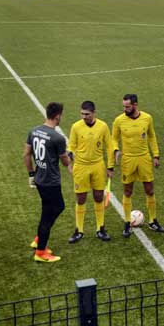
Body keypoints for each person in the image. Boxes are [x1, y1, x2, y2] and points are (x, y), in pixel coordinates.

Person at [25, 102, 71, 263]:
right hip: (50, 181)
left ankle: (38, 240)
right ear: (58, 115)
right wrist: (70, 156)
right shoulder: (57, 137)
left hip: (39, 178)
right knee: (54, 209)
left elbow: (26, 154)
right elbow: (65, 162)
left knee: (48, 209)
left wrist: (31, 174)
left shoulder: (34, 131)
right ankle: (40, 251)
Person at [112, 94, 163, 237]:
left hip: (144, 158)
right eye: (123, 106)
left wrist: (156, 155)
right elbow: (114, 139)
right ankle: (127, 222)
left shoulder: (147, 118)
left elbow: (152, 137)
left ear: (135, 105)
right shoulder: (119, 120)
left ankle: (153, 221)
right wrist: (116, 150)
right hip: (128, 159)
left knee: (150, 190)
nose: (125, 109)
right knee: (127, 191)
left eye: (127, 106)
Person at [67, 101, 115, 243]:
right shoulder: (76, 127)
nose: (84, 117)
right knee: (81, 198)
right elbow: (71, 146)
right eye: (82, 114)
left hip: (97, 165)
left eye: (87, 114)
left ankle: (100, 228)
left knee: (98, 196)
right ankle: (79, 230)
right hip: (81, 166)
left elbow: (109, 146)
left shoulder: (103, 126)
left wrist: (110, 167)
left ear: (94, 113)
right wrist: (69, 158)